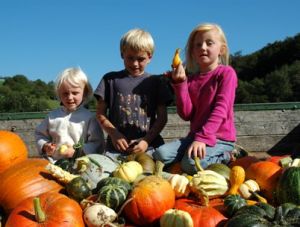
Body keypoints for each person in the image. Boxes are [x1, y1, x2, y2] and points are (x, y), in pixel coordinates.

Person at [153, 23, 238, 175]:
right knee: (160, 155)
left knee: (191, 165)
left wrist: (203, 138)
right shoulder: (191, 81)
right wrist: (180, 84)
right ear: (192, 51)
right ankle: (187, 161)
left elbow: (222, 108)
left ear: (221, 50)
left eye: (209, 43)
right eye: (197, 45)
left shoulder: (226, 74)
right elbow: (186, 114)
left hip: (220, 139)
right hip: (195, 137)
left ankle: (227, 156)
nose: (203, 47)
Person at [94, 28, 173, 161]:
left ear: (150, 57)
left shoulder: (156, 82)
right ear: (122, 54)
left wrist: (146, 141)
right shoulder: (110, 80)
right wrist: (114, 134)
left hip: (149, 147)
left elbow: (162, 118)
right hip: (116, 148)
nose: (135, 63)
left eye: (141, 59)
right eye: (130, 58)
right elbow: (100, 114)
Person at [35, 67, 105, 163]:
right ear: (59, 94)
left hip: (80, 164)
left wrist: (76, 151)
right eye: (65, 93)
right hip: (53, 163)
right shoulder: (52, 116)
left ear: (85, 93)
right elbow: (39, 134)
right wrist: (45, 146)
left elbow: (97, 143)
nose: (70, 97)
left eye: (75, 93)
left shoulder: (89, 118)